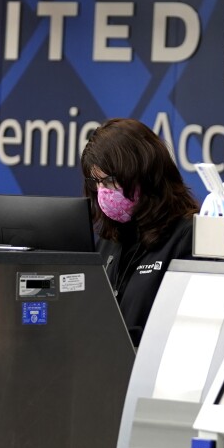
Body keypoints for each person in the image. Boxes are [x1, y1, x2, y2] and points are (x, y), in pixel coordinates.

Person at [81, 118, 199, 345]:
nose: (102, 192)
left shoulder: (187, 237)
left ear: (146, 175)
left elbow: (185, 332)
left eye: (110, 181)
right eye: (96, 182)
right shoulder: (110, 238)